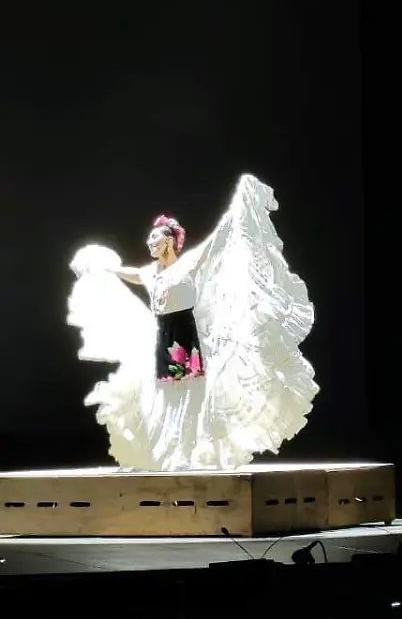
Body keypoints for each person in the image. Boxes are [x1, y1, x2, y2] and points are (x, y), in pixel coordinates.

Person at [67, 174, 318, 471]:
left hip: (184, 336)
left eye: (155, 237)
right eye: (149, 238)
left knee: (188, 398)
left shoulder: (188, 264)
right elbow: (126, 272)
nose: (150, 241)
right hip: (163, 336)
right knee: (159, 398)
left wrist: (239, 203)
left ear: (170, 240)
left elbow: (218, 239)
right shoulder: (149, 273)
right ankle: (160, 454)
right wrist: (101, 266)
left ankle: (183, 453)